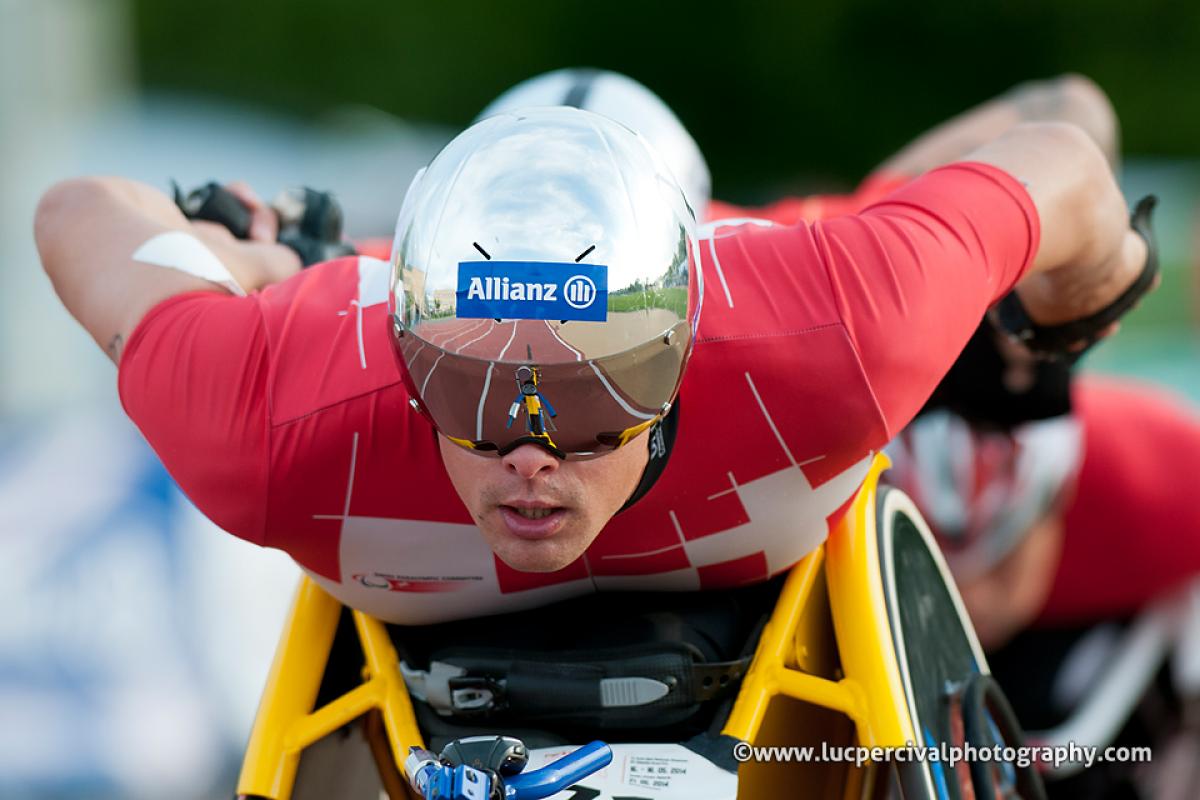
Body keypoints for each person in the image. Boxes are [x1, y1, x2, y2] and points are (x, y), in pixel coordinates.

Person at [35, 83, 1147, 639]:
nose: (528, 452)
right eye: (470, 384)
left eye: (588, 384)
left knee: (1004, 550)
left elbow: (1069, 125)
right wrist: (249, 254)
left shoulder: (823, 311)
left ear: (684, 322)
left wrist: (1054, 328)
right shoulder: (271, 388)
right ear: (404, 332)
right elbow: (80, 204)